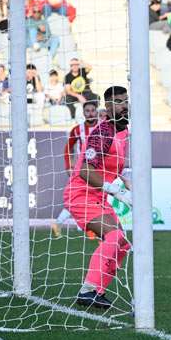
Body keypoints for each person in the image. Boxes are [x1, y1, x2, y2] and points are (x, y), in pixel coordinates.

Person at [65, 86, 132, 309]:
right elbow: (84, 170)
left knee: (121, 243)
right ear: (109, 105)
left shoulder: (122, 132)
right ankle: (88, 290)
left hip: (98, 196)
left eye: (126, 100)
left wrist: (129, 186)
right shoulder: (103, 132)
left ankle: (96, 292)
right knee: (113, 237)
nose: (124, 105)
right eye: (119, 101)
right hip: (81, 194)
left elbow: (115, 165)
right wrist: (116, 191)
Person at [51, 101, 100, 238]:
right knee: (85, 199)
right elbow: (68, 148)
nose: (90, 113)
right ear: (83, 113)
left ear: (96, 112)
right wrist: (69, 166)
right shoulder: (78, 130)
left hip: (98, 169)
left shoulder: (103, 128)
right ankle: (91, 230)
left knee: (89, 199)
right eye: (87, 111)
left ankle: (88, 229)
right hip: (82, 170)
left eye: (92, 110)